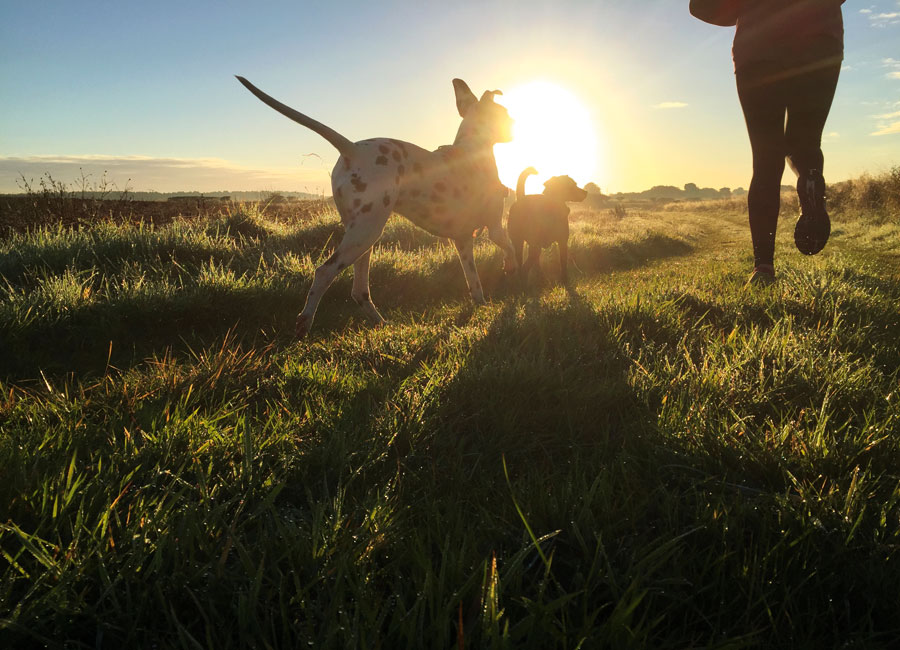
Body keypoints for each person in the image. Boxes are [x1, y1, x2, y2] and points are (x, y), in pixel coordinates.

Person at [689, 0, 845, 284]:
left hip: (758, 48)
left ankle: (763, 268)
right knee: (806, 141)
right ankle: (810, 179)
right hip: (819, 41)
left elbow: (701, 6)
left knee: (766, 159)